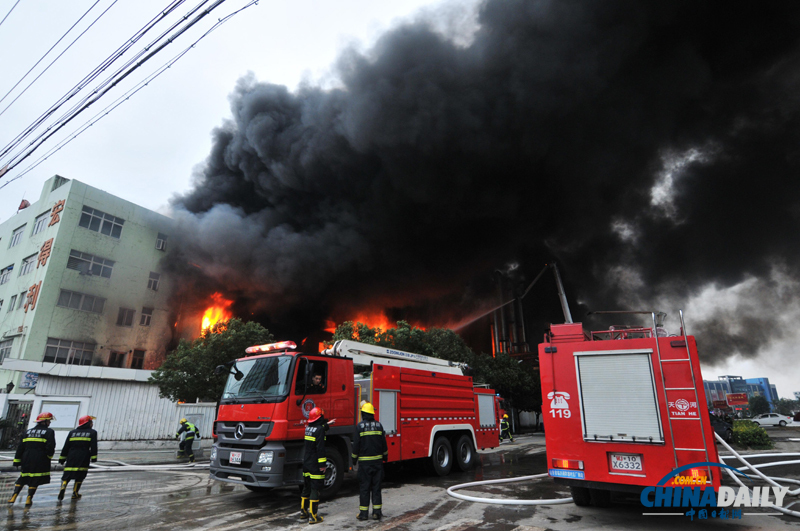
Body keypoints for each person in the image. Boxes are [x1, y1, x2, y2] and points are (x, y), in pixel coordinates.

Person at [8, 412, 56, 505]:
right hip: (40, 458)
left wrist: (17, 460)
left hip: (26, 457)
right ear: (45, 421)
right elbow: (50, 446)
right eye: (49, 421)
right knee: (35, 478)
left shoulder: (27, 432)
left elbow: (20, 447)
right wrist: (49, 456)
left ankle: (14, 496)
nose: (49, 423)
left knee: (23, 477)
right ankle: (29, 498)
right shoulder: (49, 432)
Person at [352, 402, 388, 521]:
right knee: (376, 488)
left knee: (364, 488)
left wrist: (354, 458)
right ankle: (377, 513)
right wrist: (385, 457)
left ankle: (363, 514)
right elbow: (383, 444)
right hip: (377, 463)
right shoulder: (379, 425)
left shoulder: (360, 426)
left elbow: (356, 445)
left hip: (364, 464)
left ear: (363, 413)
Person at [57, 415, 98, 501]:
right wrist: (94, 457)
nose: (92, 424)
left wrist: (62, 458)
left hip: (71, 455)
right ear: (88, 423)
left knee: (67, 473)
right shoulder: (92, 432)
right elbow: (93, 446)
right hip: (84, 455)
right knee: (80, 475)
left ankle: (63, 485)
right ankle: (75, 493)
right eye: (91, 422)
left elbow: (66, 446)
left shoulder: (72, 432)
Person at [300, 407, 326, 524]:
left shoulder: (308, 428)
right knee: (315, 489)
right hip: (315, 464)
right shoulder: (320, 430)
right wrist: (322, 464)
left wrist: (327, 425)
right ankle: (313, 517)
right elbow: (320, 448)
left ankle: (303, 512)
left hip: (307, 463)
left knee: (306, 487)